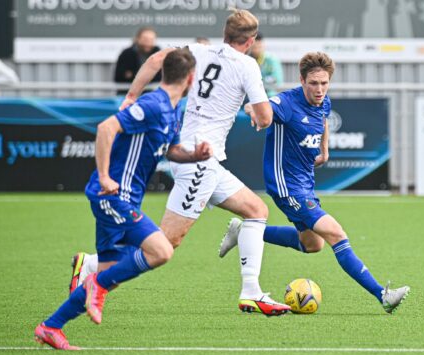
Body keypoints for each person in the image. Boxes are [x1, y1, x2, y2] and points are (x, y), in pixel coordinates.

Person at [67, 9, 291, 316]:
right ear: (251, 40)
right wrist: (254, 110)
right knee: (165, 244)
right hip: (198, 160)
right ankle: (91, 265)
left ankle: (251, 292)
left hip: (201, 158)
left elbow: (156, 60)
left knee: (256, 210)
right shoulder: (248, 65)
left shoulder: (198, 50)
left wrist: (132, 95)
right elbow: (265, 118)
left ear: (225, 33)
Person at [34, 48, 213, 350]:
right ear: (191, 78)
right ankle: (94, 284)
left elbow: (171, 150)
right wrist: (104, 177)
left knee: (110, 275)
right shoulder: (153, 104)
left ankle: (51, 326)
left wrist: (194, 155)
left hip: (127, 199)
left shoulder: (172, 110)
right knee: (161, 251)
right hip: (113, 198)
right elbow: (106, 128)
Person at [219, 52, 410, 314]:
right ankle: (382, 294)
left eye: (324, 83)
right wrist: (253, 108)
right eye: (313, 83)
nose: (319, 89)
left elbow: (323, 119)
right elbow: (262, 106)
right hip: (286, 186)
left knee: (312, 244)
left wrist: (325, 149)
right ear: (302, 80)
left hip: (305, 183)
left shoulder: (323, 101)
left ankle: (245, 232)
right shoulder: (286, 103)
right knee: (336, 234)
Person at [114, 27, 161, 95]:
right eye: (145, 39)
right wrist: (149, 76)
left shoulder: (159, 54)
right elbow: (119, 77)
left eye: (151, 39)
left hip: (152, 95)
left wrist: (133, 75)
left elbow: (161, 76)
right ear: (138, 39)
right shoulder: (127, 54)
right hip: (128, 95)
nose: (148, 42)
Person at [249, 33, 283, 97]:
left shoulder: (272, 60)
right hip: (249, 96)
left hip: (268, 95)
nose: (256, 50)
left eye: (259, 47)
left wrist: (258, 81)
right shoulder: (246, 59)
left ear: (263, 45)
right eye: (254, 47)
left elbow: (278, 81)